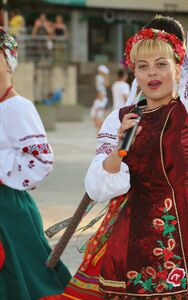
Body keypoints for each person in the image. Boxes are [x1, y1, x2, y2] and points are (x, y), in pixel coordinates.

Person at [62, 1, 188, 299]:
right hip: (135, 237)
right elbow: (98, 187)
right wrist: (119, 149)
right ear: (134, 72)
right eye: (142, 67)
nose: (152, 74)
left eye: (161, 64)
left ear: (179, 67)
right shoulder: (120, 118)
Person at [0, 29, 71, 300]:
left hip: (9, 209)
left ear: (9, 61)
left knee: (22, 281)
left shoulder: (17, 107)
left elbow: (41, 161)